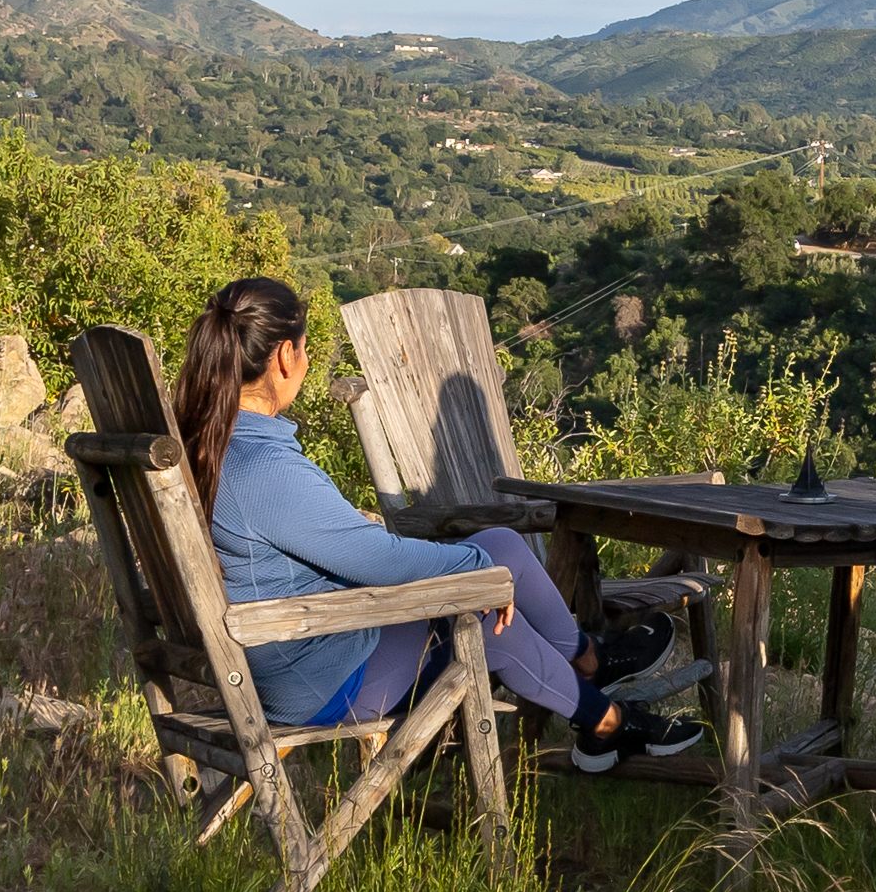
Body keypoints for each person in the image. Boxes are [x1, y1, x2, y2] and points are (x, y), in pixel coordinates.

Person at [174, 276, 704, 772]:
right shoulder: (263, 466)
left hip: (302, 650)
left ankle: (588, 661)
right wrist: (480, 570)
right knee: (485, 611)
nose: (307, 360)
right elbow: (381, 562)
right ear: (286, 356)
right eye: (307, 348)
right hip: (320, 677)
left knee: (498, 544)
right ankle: (605, 721)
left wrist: (479, 560)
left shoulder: (215, 443)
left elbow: (293, 541)